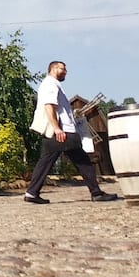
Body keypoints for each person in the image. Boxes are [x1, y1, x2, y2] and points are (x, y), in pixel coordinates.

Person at [23, 60, 118, 204]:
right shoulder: (50, 84)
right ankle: (96, 193)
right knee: (82, 161)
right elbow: (49, 106)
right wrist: (57, 128)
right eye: (63, 69)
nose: (65, 72)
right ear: (54, 69)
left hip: (57, 132)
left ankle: (32, 193)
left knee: (46, 162)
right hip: (62, 132)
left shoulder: (51, 85)